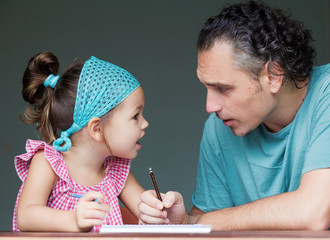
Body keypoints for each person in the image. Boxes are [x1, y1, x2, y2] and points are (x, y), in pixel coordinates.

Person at [138, 1, 330, 230]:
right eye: (206, 87)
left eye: (223, 88)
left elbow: (313, 213)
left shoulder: (325, 95)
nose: (210, 106)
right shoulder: (218, 128)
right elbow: (204, 223)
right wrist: (184, 222)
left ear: (274, 75)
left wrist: (202, 223)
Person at [13, 52, 149, 232]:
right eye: (135, 116)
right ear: (96, 129)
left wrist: (156, 210)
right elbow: (26, 216)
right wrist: (74, 219)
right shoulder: (48, 163)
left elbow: (145, 212)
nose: (145, 123)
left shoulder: (115, 169)